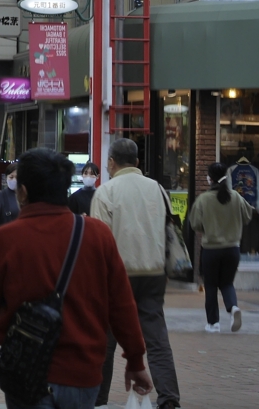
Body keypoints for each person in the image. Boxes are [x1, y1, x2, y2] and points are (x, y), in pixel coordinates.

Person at [0, 148, 152, 409]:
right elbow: (122, 304)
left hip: (26, 372)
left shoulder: (3, 241)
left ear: (23, 192)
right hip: (84, 377)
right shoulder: (97, 236)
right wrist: (135, 361)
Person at [91, 138, 181, 409]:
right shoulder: (157, 189)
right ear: (138, 162)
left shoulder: (106, 192)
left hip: (118, 275)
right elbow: (169, 229)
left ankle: (99, 400)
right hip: (153, 273)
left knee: (106, 340)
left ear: (111, 162)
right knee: (156, 338)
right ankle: (169, 399)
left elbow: (98, 242)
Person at [188, 162, 253, 333]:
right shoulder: (236, 197)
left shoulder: (203, 199)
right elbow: (247, 216)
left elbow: (195, 224)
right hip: (233, 249)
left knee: (210, 285)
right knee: (227, 283)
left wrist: (208, 227)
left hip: (211, 249)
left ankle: (213, 323)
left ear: (210, 178)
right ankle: (233, 308)